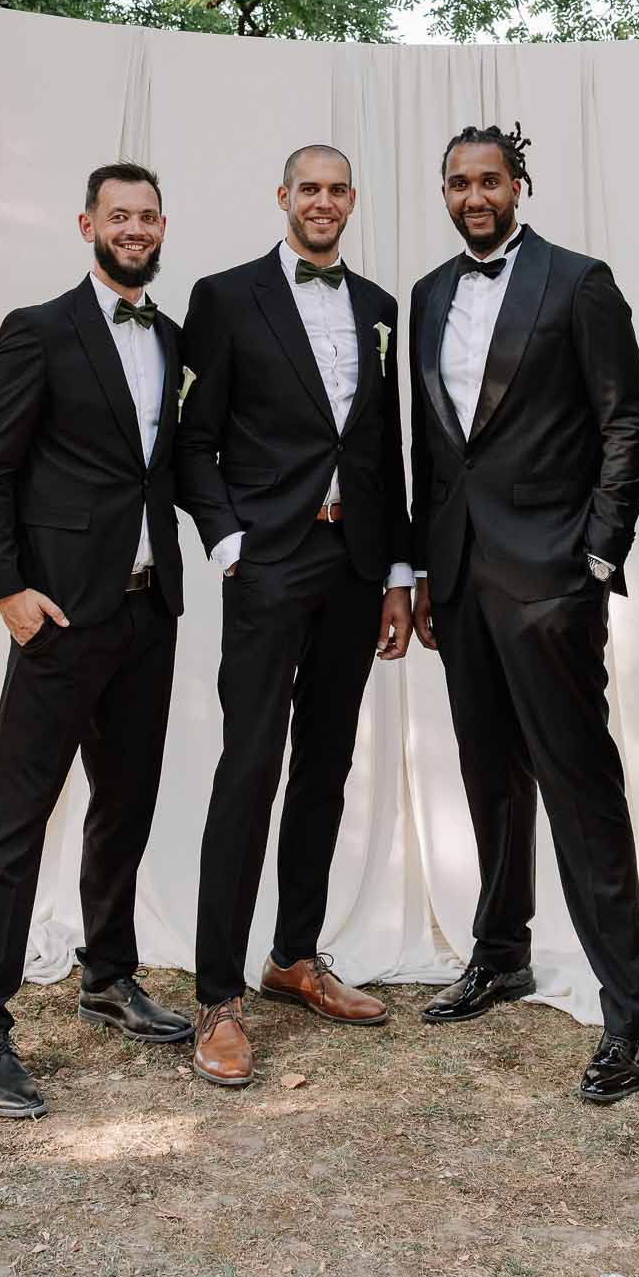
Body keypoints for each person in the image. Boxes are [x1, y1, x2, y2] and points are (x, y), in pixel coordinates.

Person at [409, 124, 639, 1104]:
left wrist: (595, 552)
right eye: (460, 182)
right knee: (489, 774)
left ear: (519, 184)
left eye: (490, 180)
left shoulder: (579, 282)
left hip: (552, 577)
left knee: (579, 783)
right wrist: (424, 566)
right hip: (460, 577)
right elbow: (432, 448)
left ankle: (628, 1005)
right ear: (445, 190)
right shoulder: (428, 293)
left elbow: (624, 419)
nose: (476, 195)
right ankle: (499, 948)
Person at [0, 163, 192, 1118]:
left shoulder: (172, 340)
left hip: (146, 609)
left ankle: (108, 977)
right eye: (117, 216)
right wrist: (7, 588)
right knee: (16, 816)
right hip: (56, 613)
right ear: (87, 223)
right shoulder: (39, 330)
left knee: (126, 805)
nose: (133, 229)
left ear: (163, 226)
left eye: (146, 216)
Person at [177, 144, 414, 1088]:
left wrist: (398, 571)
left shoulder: (382, 311)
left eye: (336, 190)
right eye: (307, 189)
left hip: (356, 568)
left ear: (353, 201)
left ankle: (294, 956)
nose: (322, 203)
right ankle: (216, 998)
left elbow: (385, 449)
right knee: (248, 768)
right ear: (283, 199)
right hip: (268, 562)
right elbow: (196, 442)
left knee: (326, 764)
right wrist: (232, 546)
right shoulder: (226, 298)